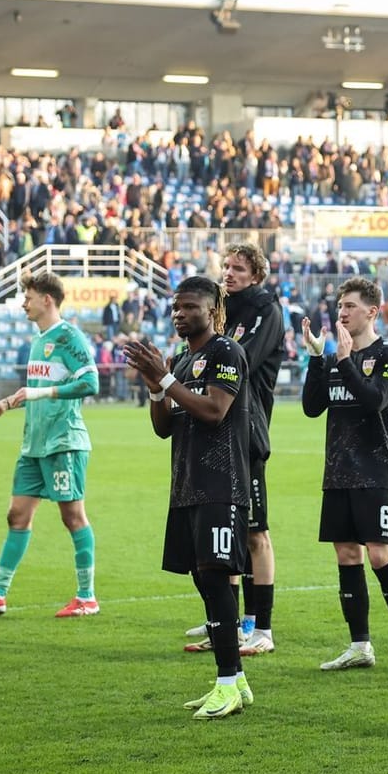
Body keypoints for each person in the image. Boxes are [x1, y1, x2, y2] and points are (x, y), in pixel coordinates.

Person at [125, 277, 255, 720]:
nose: (179, 313)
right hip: (187, 485)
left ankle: (225, 682)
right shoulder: (181, 361)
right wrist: (157, 385)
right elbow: (164, 427)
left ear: (213, 308)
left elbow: (216, 411)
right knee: (204, 580)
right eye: (175, 307)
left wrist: (165, 377)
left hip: (222, 485)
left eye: (189, 306)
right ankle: (235, 681)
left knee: (217, 579)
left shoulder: (225, 352)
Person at [0, 272, 104, 619]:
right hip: (34, 445)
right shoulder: (37, 339)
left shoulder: (68, 336)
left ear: (47, 299)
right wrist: (7, 404)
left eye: (28, 297)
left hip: (63, 442)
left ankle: (87, 596)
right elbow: (35, 388)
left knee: (72, 516)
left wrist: (40, 393)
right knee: (17, 515)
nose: (23, 303)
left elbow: (90, 382)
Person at [302, 277, 388, 672]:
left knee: (380, 554)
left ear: (372, 311)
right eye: (339, 307)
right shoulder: (338, 356)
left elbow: (374, 401)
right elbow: (312, 408)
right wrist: (317, 360)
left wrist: (345, 361)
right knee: (347, 555)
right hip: (338, 472)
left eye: (349, 306)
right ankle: (359, 645)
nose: (342, 313)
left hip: (377, 471)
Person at [185, 243, 288, 655]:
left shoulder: (265, 310)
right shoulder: (222, 309)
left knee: (255, 533)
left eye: (239, 268)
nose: (229, 273)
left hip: (247, 433)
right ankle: (228, 625)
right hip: (216, 433)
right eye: (226, 266)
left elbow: (236, 359)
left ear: (256, 275)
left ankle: (261, 628)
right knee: (225, 532)